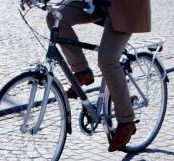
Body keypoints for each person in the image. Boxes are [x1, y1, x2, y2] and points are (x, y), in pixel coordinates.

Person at [46, 0, 151, 152]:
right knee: (55, 17)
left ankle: (127, 121)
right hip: (97, 4)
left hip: (126, 10)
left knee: (107, 60)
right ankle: (82, 71)